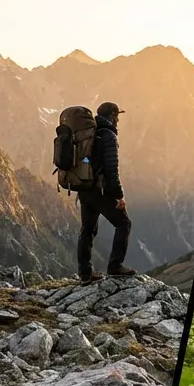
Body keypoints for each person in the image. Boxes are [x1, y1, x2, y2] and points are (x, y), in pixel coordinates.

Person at [78, 101, 135, 283]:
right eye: (117, 116)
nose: (118, 120)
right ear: (111, 116)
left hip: (84, 188)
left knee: (87, 229)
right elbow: (111, 169)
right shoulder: (108, 136)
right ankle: (115, 267)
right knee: (124, 223)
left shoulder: (88, 134)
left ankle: (85, 273)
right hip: (101, 190)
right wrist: (119, 195)